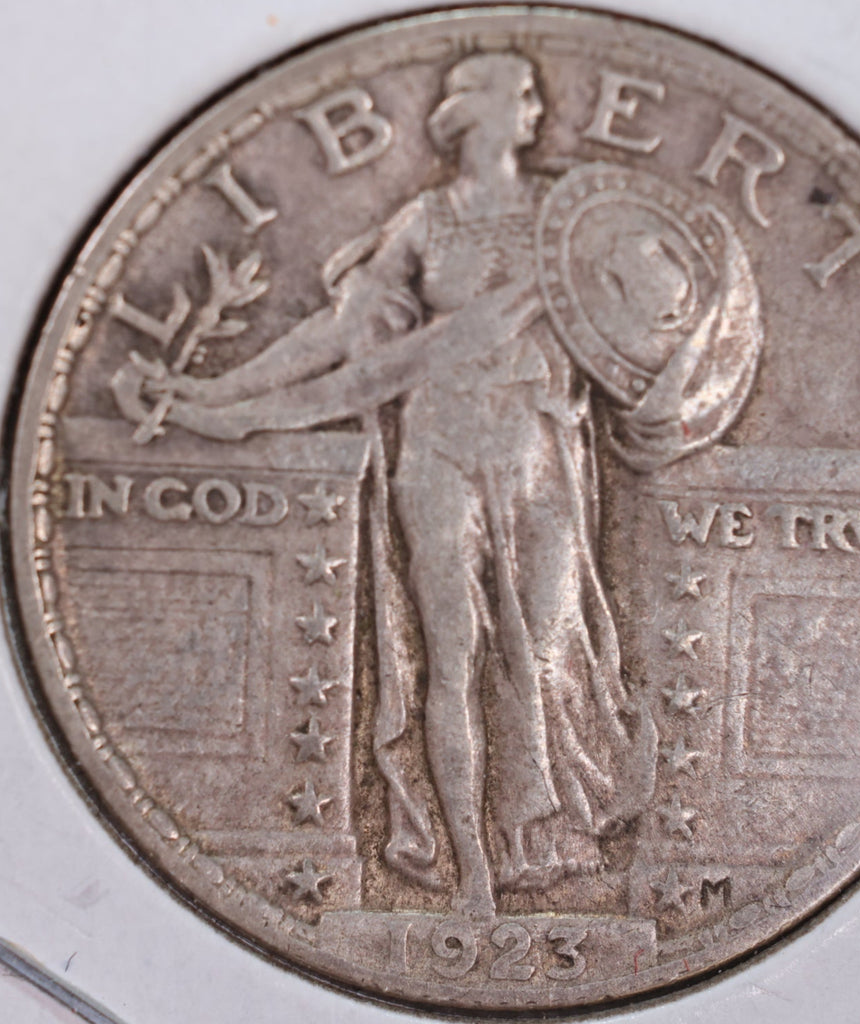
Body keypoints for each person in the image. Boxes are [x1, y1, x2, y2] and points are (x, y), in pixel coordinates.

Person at [114, 52, 754, 918]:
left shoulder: (571, 217)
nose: (537, 111)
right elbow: (338, 339)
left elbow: (661, 315)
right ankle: (470, 872)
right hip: (439, 447)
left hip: (538, 457)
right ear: (474, 113)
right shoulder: (425, 221)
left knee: (550, 651)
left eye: (534, 96)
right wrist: (218, 396)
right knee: (450, 655)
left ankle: (540, 841)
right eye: (521, 96)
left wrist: (679, 376)